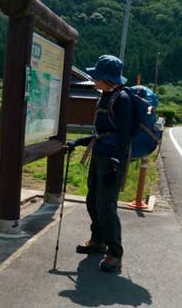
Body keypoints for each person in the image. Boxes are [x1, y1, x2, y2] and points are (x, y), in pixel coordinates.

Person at [67, 55, 132, 272]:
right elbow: (101, 134)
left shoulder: (122, 99)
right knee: (93, 200)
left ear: (106, 78)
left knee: (107, 206)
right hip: (99, 155)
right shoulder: (105, 96)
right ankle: (98, 241)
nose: (93, 79)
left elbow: (124, 136)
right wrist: (78, 141)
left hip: (112, 159)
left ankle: (115, 253)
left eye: (97, 76)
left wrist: (116, 162)